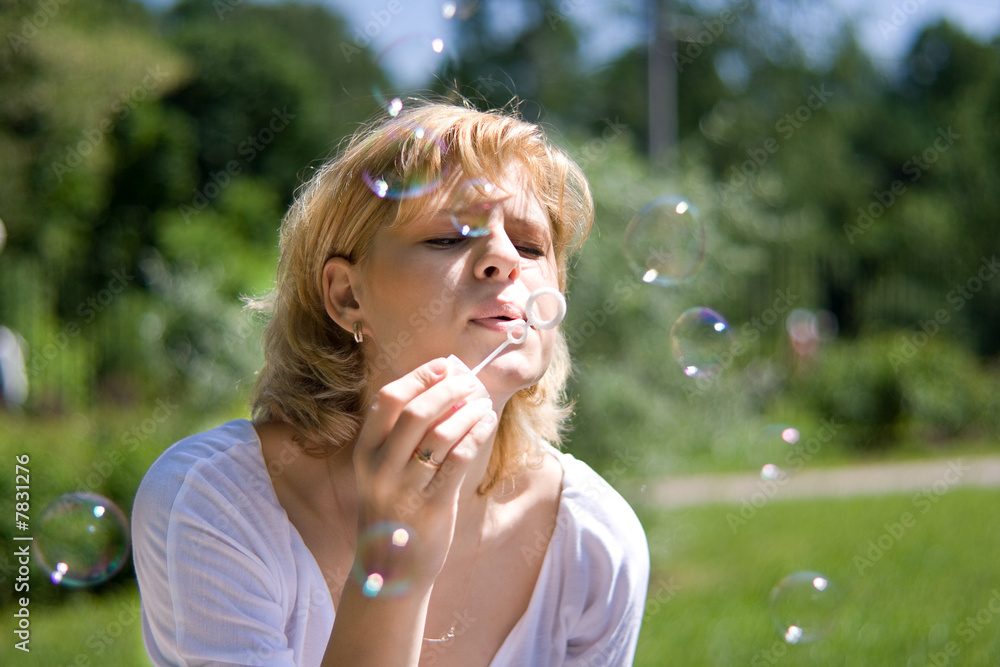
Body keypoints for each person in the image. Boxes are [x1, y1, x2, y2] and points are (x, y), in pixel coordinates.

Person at [132, 100, 649, 667]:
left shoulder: (594, 542)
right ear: (347, 297)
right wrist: (394, 552)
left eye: (530, 246)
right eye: (448, 239)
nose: (504, 257)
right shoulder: (217, 506)